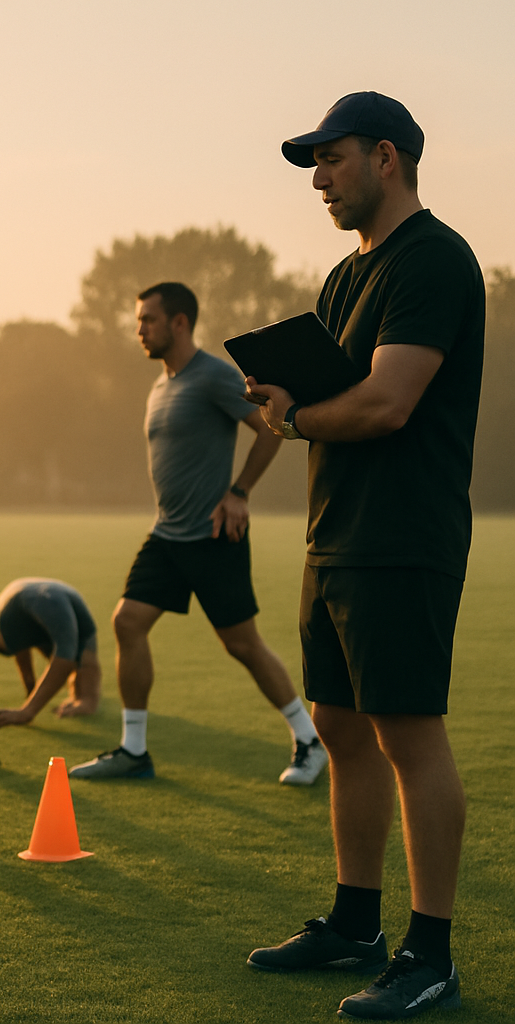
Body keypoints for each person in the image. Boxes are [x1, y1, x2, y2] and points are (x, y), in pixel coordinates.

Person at [244, 92, 482, 1021]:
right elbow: (335, 395)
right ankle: (355, 924)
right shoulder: (347, 278)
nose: (317, 178)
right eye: (312, 162)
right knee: (341, 731)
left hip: (403, 538)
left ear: (387, 157)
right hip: (334, 535)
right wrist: (281, 394)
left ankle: (431, 956)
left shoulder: (435, 261)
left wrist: (296, 416)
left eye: (331, 158)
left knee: (408, 736)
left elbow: (386, 404)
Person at [69, 282, 326, 785]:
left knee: (243, 645)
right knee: (127, 622)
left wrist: (240, 492)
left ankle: (310, 742)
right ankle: (135, 750)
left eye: (148, 320)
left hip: (212, 535)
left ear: (179, 322)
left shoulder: (211, 376)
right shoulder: (161, 384)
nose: (139, 329)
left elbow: (271, 427)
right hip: (168, 536)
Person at [0, 578, 101, 728]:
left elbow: (65, 659)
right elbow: (21, 649)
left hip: (54, 602)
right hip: (39, 597)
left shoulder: (51, 612)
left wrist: (27, 711)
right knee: (72, 657)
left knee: (81, 676)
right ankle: (82, 695)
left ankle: (83, 696)